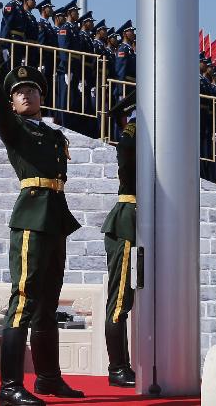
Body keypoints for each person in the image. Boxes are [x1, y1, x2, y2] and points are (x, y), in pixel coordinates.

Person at [0, 37, 84, 406]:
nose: (26, 94)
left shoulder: (53, 134)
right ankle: (9, 386)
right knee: (24, 299)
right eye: (19, 92)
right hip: (31, 217)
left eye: (31, 89)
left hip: (55, 217)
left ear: (41, 96)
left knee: (48, 303)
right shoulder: (13, 127)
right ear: (11, 102)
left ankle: (48, 378)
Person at [101, 88, 137, 388]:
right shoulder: (130, 138)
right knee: (120, 299)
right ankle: (117, 368)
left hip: (143, 219)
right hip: (128, 219)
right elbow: (126, 139)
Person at [0, 0, 27, 71]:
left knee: (18, 68)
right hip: (13, 40)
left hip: (19, 41)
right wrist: (4, 46)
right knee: (12, 68)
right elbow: (7, 25)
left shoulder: (19, 7)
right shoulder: (10, 6)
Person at [22, 0, 40, 67]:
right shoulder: (23, 14)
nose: (35, 2)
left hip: (33, 49)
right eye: (32, 0)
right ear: (26, 1)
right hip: (26, 48)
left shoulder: (32, 17)